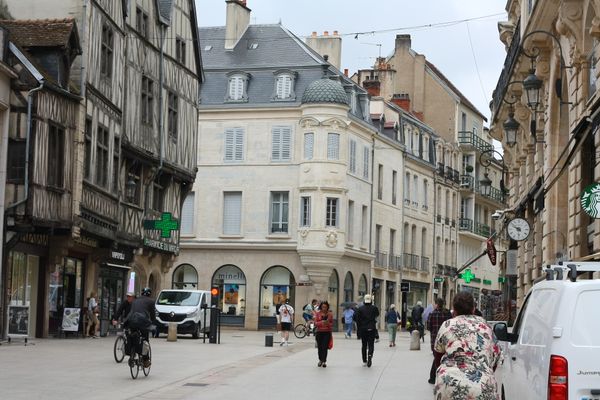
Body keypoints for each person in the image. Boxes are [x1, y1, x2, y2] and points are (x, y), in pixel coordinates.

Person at [434, 292, 502, 399]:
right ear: (473, 309)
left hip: (449, 384)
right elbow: (496, 358)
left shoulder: (447, 325)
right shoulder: (486, 327)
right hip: (482, 387)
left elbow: (437, 355)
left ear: (454, 310)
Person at [125, 287, 157, 368]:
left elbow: (131, 312)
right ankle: (146, 360)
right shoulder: (151, 301)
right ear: (150, 294)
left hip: (132, 320)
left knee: (132, 335)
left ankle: (132, 354)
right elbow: (153, 315)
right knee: (145, 339)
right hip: (142, 321)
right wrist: (153, 323)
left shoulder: (135, 300)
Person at [427, 298, 452, 384]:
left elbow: (428, 327)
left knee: (436, 357)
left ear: (437, 304)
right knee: (444, 358)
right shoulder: (447, 313)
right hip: (447, 339)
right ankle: (437, 377)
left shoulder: (432, 314)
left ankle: (433, 378)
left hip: (435, 339)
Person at [355, 294, 379, 367]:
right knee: (371, 344)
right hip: (371, 328)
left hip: (363, 329)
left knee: (364, 345)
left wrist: (358, 331)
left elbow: (358, 320)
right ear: (371, 300)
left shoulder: (360, 309)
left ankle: (364, 360)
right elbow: (377, 315)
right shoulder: (374, 308)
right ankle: (370, 355)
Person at [314, 300, 333, 367]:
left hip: (327, 333)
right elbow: (315, 323)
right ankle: (320, 360)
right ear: (320, 307)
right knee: (320, 347)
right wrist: (321, 322)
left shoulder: (330, 314)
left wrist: (328, 323)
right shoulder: (318, 314)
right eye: (323, 307)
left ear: (327, 307)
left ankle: (324, 361)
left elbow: (331, 324)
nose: (324, 308)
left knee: (325, 347)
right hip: (319, 332)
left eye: (325, 307)